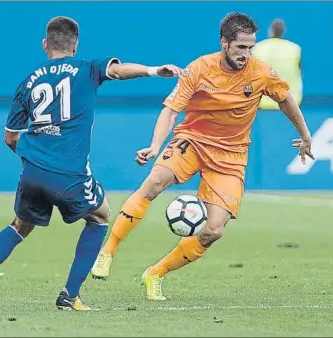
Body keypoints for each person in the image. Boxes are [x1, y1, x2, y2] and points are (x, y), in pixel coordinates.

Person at [0, 16, 184, 311]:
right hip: (69, 171)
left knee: (20, 225)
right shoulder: (86, 69)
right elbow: (118, 71)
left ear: (46, 44)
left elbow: (10, 138)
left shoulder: (29, 81)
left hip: (32, 170)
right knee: (100, 216)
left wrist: (35, 158)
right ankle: (69, 295)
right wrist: (153, 70)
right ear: (75, 46)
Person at [91, 12, 314, 300]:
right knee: (155, 181)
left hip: (231, 156)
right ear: (224, 43)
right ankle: (107, 251)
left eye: (251, 48)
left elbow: (285, 99)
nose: (246, 54)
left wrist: (306, 135)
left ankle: (155, 273)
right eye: (240, 48)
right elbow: (171, 109)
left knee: (214, 230)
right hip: (193, 141)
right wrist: (156, 145)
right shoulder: (199, 69)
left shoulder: (261, 73)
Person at [252, 19, 303, 109]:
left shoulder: (258, 48)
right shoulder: (295, 49)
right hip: (291, 102)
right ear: (283, 31)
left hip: (262, 102)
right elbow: (299, 70)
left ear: (270, 31)